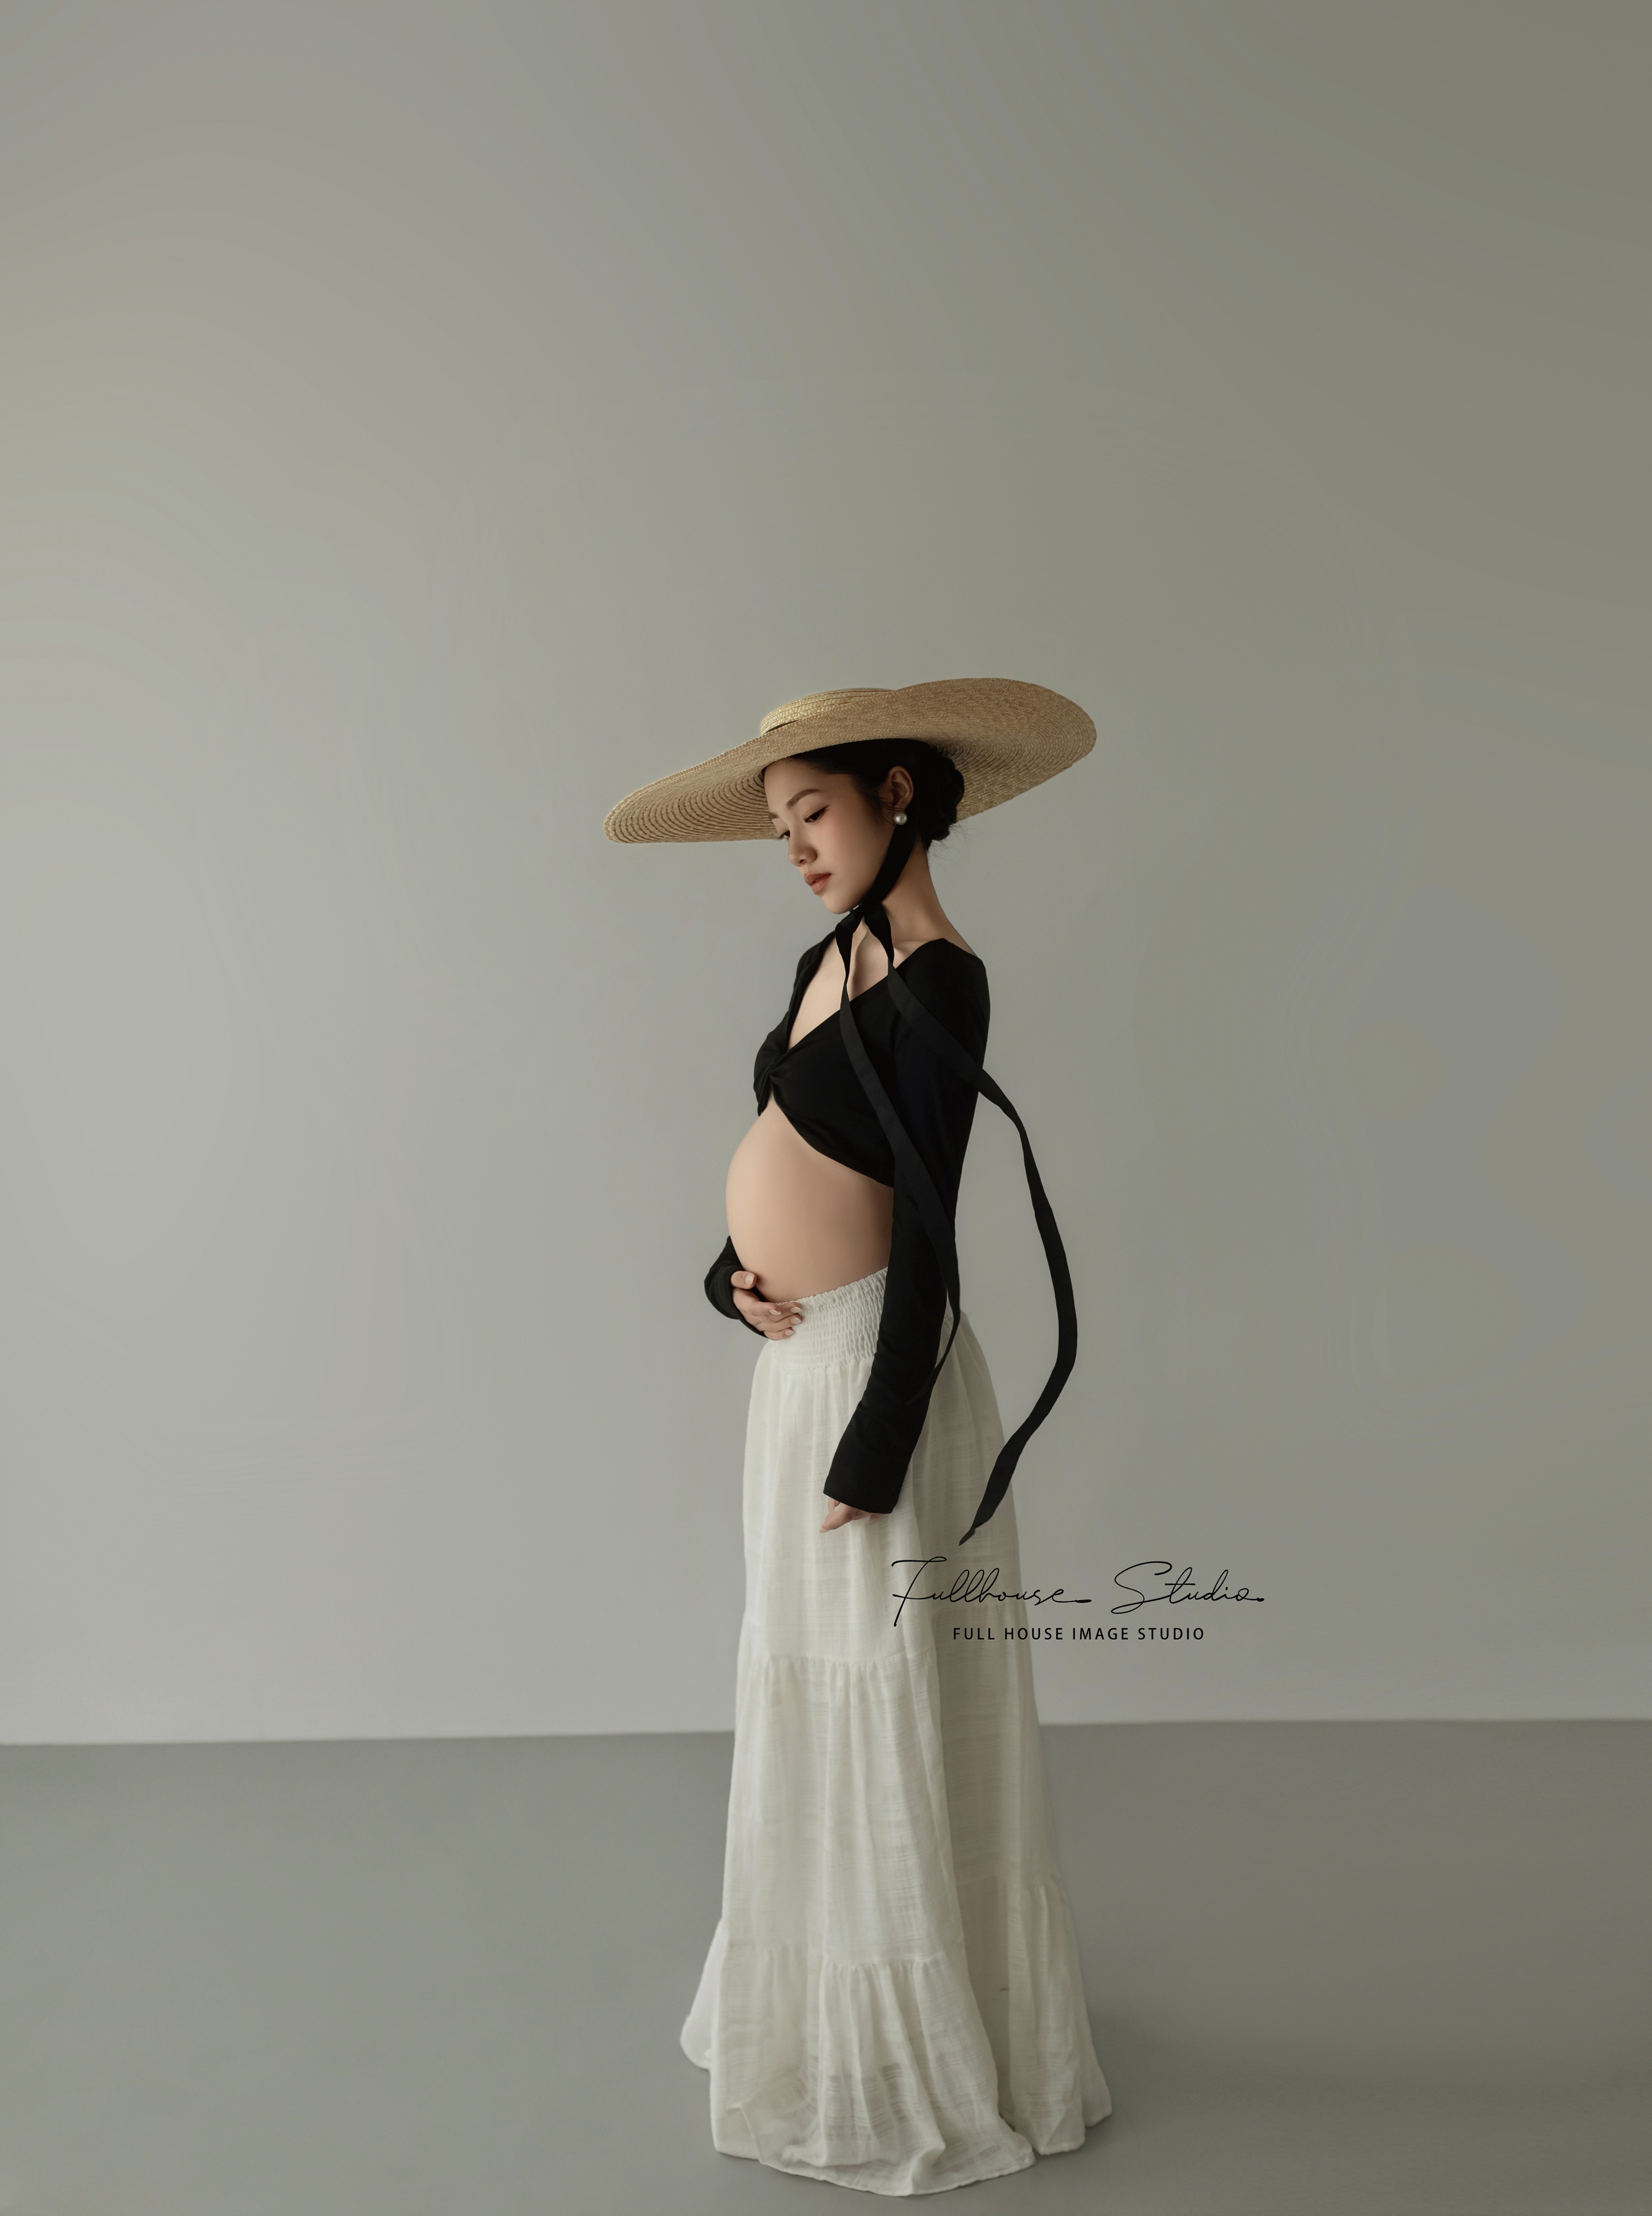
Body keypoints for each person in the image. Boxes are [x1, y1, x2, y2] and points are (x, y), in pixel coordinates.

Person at [604, 680, 1112, 2195]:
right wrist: (731, 1272)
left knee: (873, 1687)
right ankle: (822, 2003)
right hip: (804, 1365)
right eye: (779, 827)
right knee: (807, 1677)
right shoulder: (826, 959)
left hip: (881, 1381)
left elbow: (931, 1232)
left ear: (897, 793)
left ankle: (916, 2031)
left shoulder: (943, 984)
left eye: (812, 813)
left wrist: (878, 1447)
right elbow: (795, 1144)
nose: (795, 850)